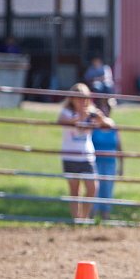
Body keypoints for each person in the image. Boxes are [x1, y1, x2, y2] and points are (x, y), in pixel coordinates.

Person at [58, 83, 113, 220]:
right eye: (78, 98)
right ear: (72, 99)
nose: (82, 101)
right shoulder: (67, 112)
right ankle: (77, 220)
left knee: (93, 187)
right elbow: (61, 121)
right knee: (74, 190)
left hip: (87, 156)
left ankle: (84, 217)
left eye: (84, 98)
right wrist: (80, 117)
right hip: (70, 156)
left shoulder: (92, 112)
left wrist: (101, 119)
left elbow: (109, 126)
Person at [91, 104, 123, 220]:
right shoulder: (93, 127)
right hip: (95, 162)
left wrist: (121, 166)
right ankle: (91, 218)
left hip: (110, 163)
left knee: (107, 191)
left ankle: (105, 218)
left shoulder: (114, 127)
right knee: (95, 190)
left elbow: (119, 147)